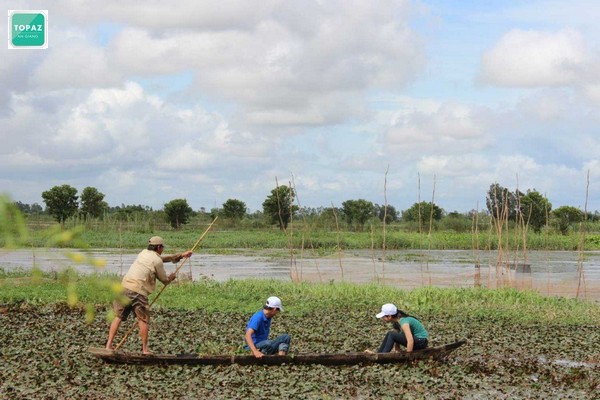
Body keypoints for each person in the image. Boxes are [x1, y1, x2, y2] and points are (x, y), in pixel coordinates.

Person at [105, 236, 192, 354]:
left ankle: (108, 346)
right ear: (159, 247)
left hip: (124, 287)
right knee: (143, 319)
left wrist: (181, 255)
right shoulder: (156, 261)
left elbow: (160, 259)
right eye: (162, 247)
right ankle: (145, 350)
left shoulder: (143, 253)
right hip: (138, 291)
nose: (163, 249)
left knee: (118, 316)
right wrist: (171, 278)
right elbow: (164, 279)